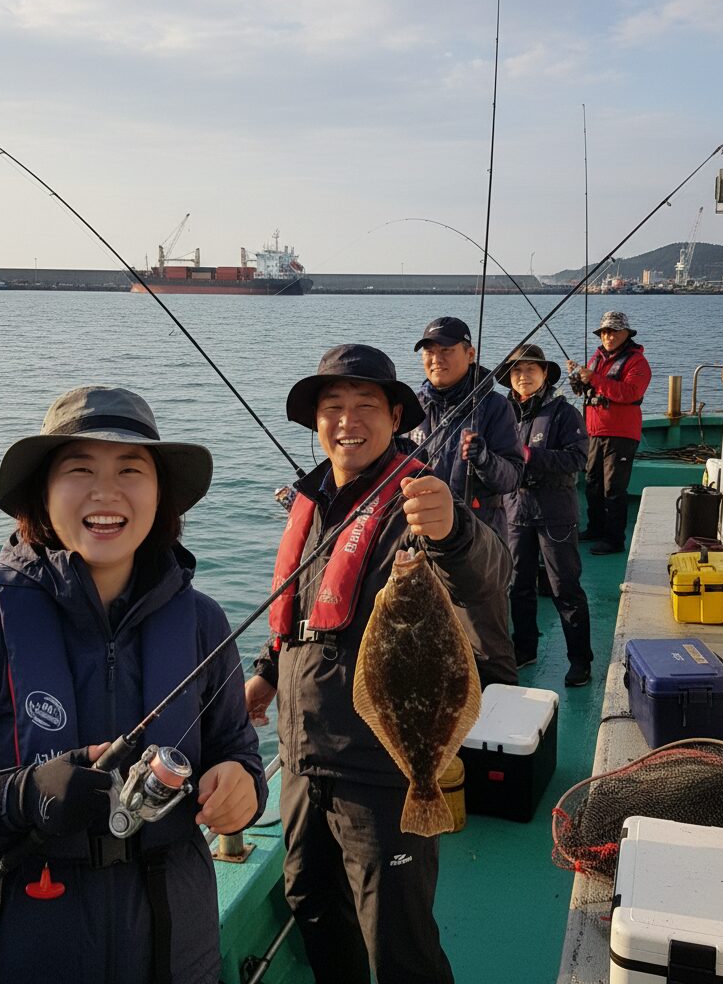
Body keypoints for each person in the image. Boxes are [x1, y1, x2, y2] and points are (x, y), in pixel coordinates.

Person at [0, 386, 266, 984]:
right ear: (42, 494)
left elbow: (238, 751)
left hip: (175, 957)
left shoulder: (204, 622)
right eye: (79, 469)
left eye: (131, 470)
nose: (106, 491)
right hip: (8, 954)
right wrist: (19, 796)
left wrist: (244, 786)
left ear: (161, 496)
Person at [245, 344, 501, 984]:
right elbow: (300, 605)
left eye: (365, 407)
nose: (347, 421)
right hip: (304, 755)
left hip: (382, 767)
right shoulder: (313, 501)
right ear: (316, 422)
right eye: (332, 408)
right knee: (311, 902)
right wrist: (268, 668)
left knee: (398, 938)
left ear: (395, 419)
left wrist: (454, 533)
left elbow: (487, 577)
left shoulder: (414, 501)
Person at [407, 315, 522, 685]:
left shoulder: (494, 407)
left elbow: (512, 477)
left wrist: (485, 459)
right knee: (427, 649)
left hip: (478, 544)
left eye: (447, 350)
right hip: (422, 548)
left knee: (489, 651)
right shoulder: (411, 407)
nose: (436, 358)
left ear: (470, 353)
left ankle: (502, 730)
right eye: (429, 351)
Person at [499, 344, 593, 687]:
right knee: (517, 585)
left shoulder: (565, 414)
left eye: (530, 370)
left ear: (544, 375)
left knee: (564, 586)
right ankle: (525, 649)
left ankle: (580, 660)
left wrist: (531, 456)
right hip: (514, 510)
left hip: (555, 512)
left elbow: (576, 459)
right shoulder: (502, 412)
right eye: (517, 371)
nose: (523, 376)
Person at [566, 311, 652, 555]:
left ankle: (614, 540)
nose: (608, 336)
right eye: (604, 332)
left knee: (613, 489)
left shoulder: (637, 362)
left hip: (621, 433)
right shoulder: (598, 357)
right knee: (592, 483)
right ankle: (595, 529)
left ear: (626, 334)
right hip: (594, 431)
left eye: (613, 331)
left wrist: (593, 378)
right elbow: (583, 390)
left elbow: (630, 393)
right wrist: (577, 376)